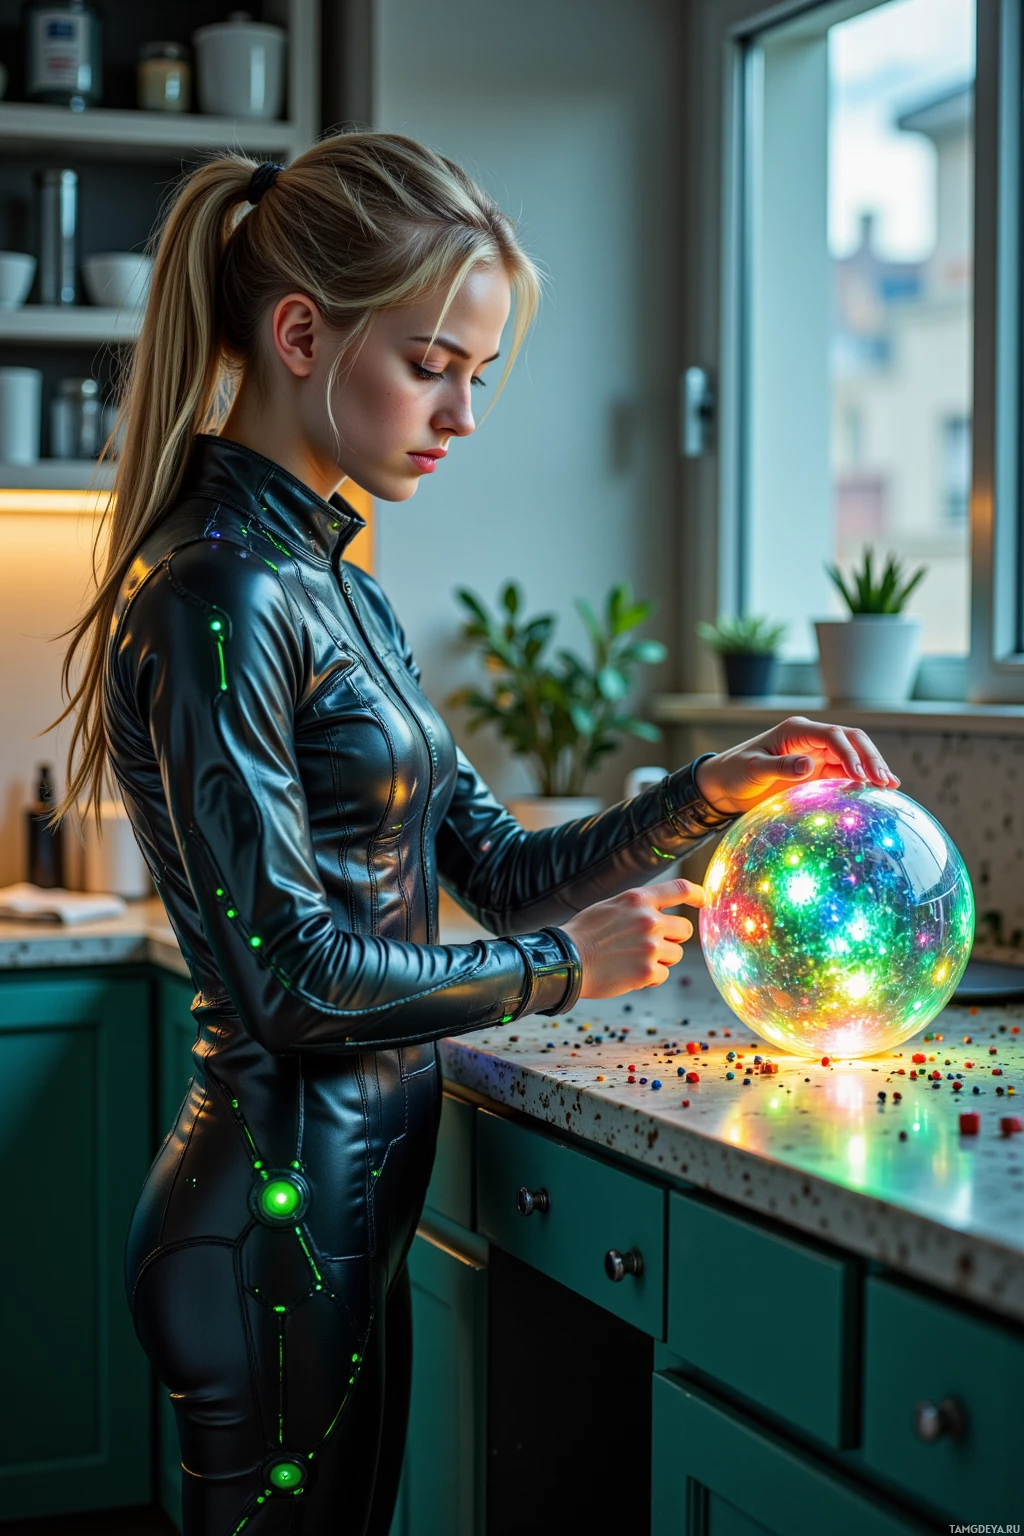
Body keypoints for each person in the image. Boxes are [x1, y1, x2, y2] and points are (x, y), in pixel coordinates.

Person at [49, 132, 897, 1535]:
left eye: (476, 378)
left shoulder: (339, 589)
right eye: (432, 366)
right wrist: (564, 974)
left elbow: (498, 870)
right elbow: (299, 978)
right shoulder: (220, 592)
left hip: (334, 1219)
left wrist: (708, 794)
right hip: (269, 1227)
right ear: (304, 333)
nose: (461, 414)